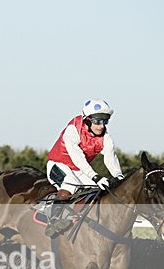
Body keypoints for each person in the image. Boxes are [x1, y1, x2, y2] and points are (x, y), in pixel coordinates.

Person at [44, 99, 125, 236]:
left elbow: (110, 158)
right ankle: (54, 219)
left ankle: (77, 219)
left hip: (79, 170)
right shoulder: (73, 129)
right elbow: (78, 158)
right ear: (87, 119)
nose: (101, 126)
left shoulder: (106, 138)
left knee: (98, 190)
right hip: (58, 164)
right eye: (97, 121)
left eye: (105, 121)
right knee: (71, 182)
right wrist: (95, 176)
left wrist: (119, 176)